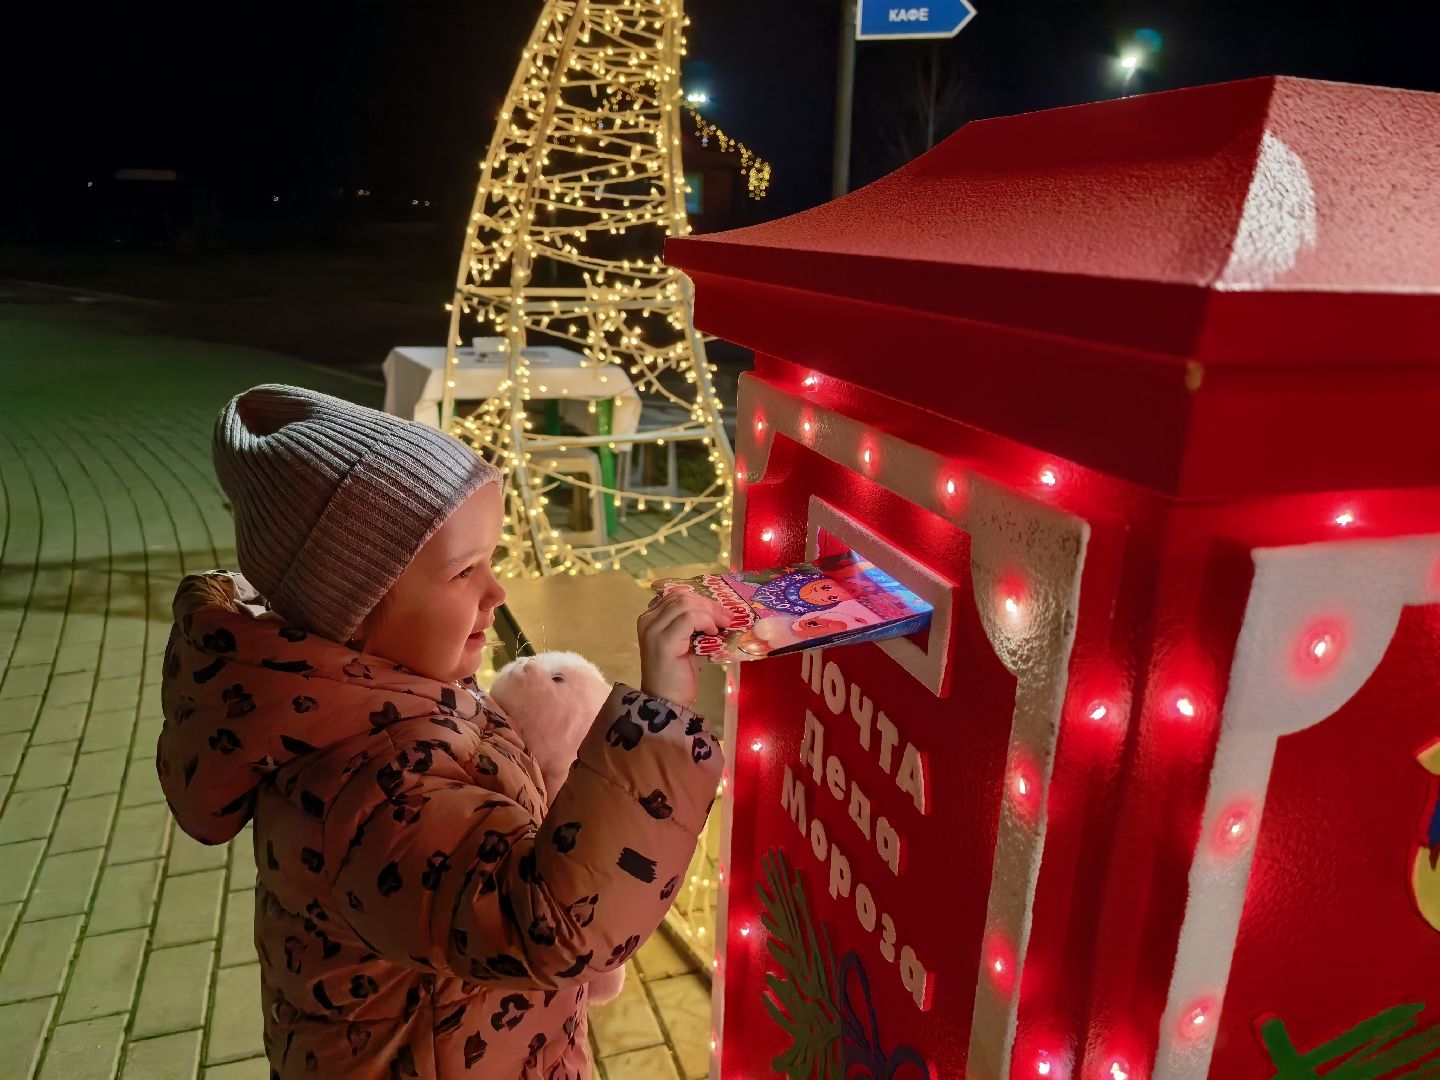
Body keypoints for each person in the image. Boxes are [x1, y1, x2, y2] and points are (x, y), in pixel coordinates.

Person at [155, 384, 728, 1079]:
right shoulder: (371, 786)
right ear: (354, 609)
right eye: (464, 572)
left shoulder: (370, 699)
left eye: (491, 560)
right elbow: (552, 924)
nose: (498, 592)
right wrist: (659, 720)